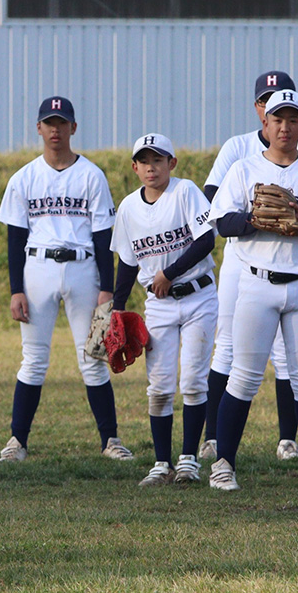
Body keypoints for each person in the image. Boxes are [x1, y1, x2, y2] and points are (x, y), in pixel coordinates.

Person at [207, 90, 298, 491]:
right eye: (278, 119)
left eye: (293, 120)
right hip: (257, 283)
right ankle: (223, 465)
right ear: (265, 125)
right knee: (244, 377)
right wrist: (254, 220)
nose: (285, 127)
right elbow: (221, 222)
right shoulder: (243, 168)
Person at [0, 96, 131, 462]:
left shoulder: (91, 175)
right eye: (49, 123)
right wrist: (15, 290)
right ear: (39, 128)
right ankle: (17, 442)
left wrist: (107, 288)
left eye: (62, 122)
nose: (55, 129)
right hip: (37, 267)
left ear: (73, 128)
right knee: (34, 358)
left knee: (92, 357)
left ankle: (110, 440)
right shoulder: (24, 177)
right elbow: (15, 239)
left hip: (83, 266)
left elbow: (104, 237)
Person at [200, 70, 298, 463]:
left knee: (291, 358)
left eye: (287, 110)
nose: (279, 118)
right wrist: (252, 216)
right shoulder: (237, 149)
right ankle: (213, 440)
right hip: (243, 258)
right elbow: (212, 202)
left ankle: (288, 438)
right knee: (229, 350)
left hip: (295, 260)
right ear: (259, 110)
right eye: (266, 101)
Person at [110, 133, 217, 486]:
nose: (151, 167)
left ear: (172, 163)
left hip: (198, 297)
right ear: (134, 167)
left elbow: (206, 239)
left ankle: (188, 460)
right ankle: (161, 463)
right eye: (144, 160)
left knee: (193, 380)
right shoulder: (128, 208)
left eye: (158, 160)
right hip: (158, 304)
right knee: (158, 385)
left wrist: (168, 273)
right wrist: (118, 309)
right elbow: (127, 262)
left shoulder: (184, 192)